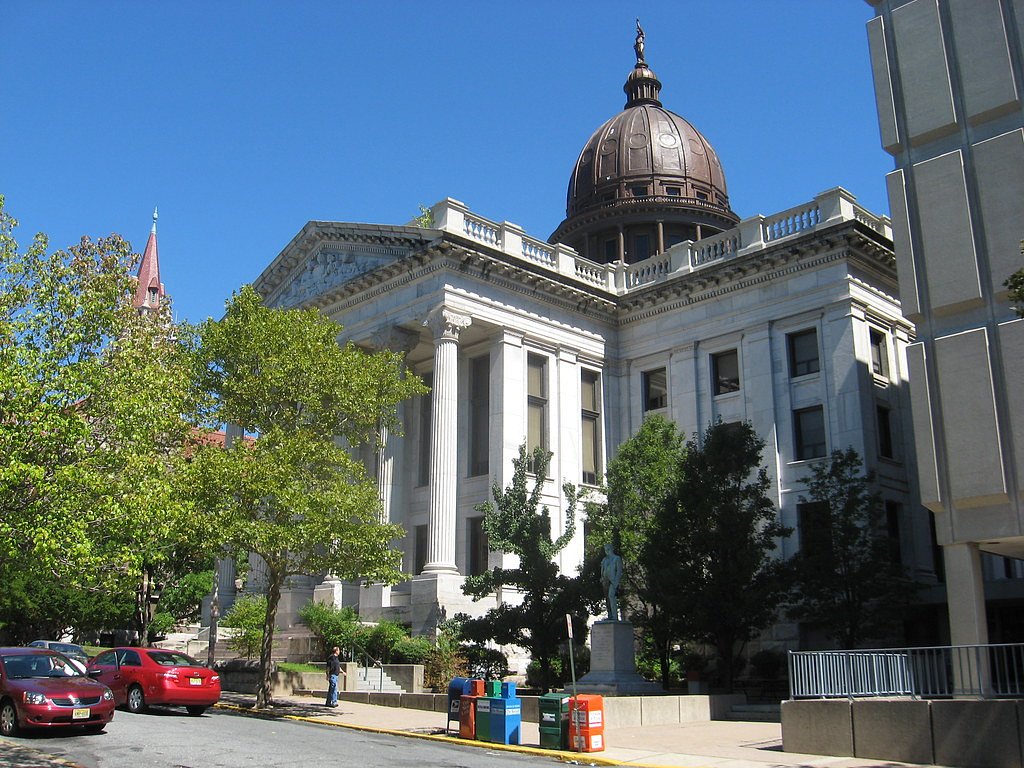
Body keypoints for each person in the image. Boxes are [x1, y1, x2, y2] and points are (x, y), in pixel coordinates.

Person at [600, 543, 623, 621]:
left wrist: (616, 582)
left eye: (608, 549)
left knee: (611, 596)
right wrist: (602, 577)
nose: (607, 551)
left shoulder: (617, 558)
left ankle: (614, 616)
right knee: (607, 599)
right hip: (605, 581)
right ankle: (610, 615)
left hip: (613, 581)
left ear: (612, 549)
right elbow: (603, 569)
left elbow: (619, 571)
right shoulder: (604, 560)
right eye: (605, 550)